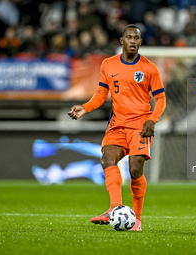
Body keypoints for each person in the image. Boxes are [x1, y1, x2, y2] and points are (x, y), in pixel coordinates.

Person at [68, 24, 166, 231]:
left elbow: (161, 99)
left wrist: (152, 119)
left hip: (140, 125)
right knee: (107, 159)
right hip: (117, 125)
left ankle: (137, 220)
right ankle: (114, 208)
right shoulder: (108, 64)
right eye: (128, 37)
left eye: (136, 38)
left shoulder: (149, 67)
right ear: (121, 41)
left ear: (140, 42)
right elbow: (101, 94)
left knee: (135, 170)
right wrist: (84, 108)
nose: (132, 41)